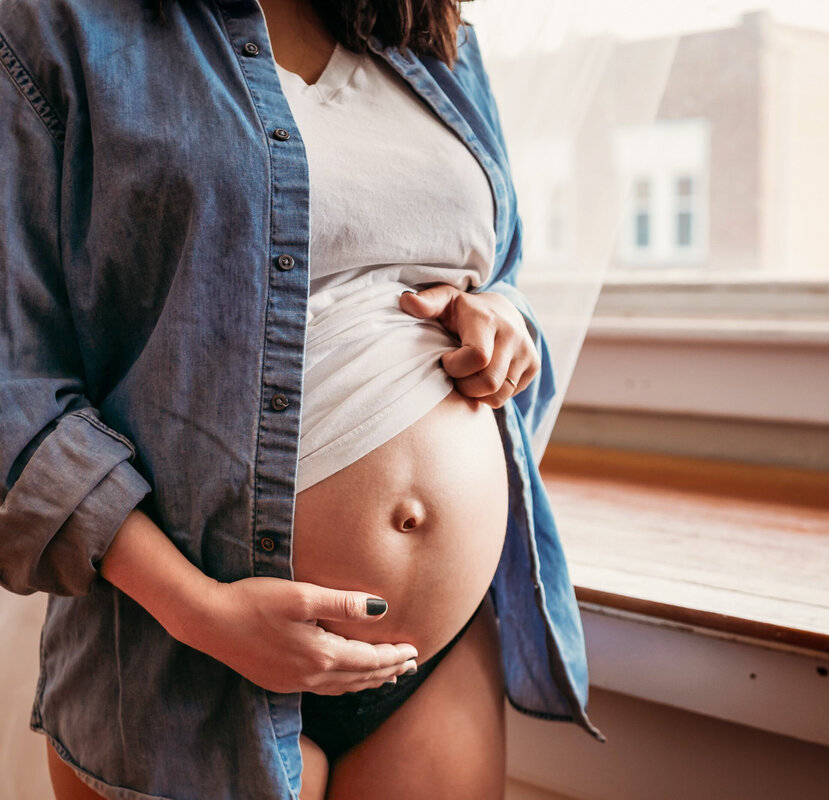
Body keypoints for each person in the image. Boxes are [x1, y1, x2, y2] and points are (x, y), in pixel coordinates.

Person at [0, 0, 604, 797]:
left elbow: (499, 271)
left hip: (429, 665)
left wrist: (503, 320)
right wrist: (200, 612)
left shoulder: (429, 32)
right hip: (182, 663)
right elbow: (16, 388)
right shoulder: (53, 24)